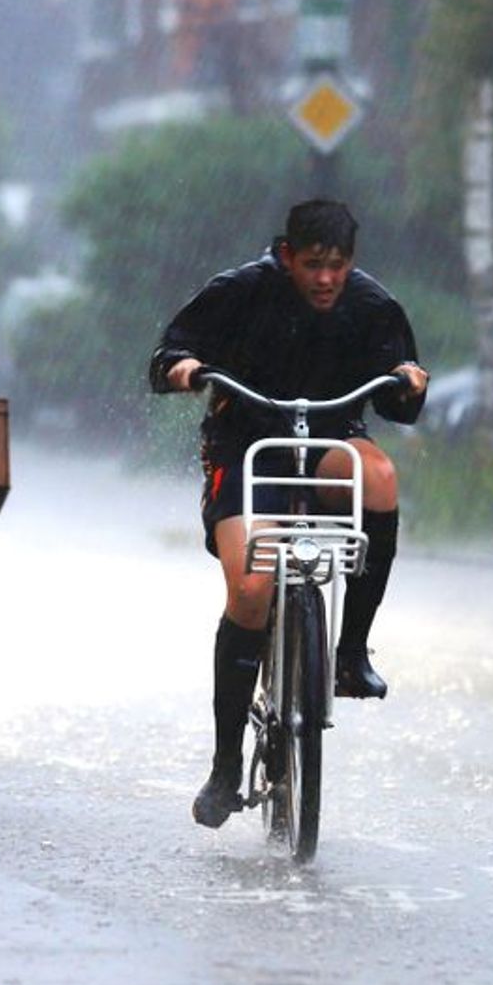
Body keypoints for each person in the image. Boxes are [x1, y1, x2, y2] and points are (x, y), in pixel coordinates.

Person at [148, 199, 430, 829]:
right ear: (287, 255)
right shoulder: (241, 291)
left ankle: (351, 651)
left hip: (328, 444)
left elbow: (403, 399)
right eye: (313, 265)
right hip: (246, 448)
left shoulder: (372, 305)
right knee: (251, 587)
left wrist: (411, 380)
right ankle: (226, 765)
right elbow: (164, 358)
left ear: (351, 261)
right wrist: (186, 369)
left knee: (379, 477)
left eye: (337, 266)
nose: (326, 279)